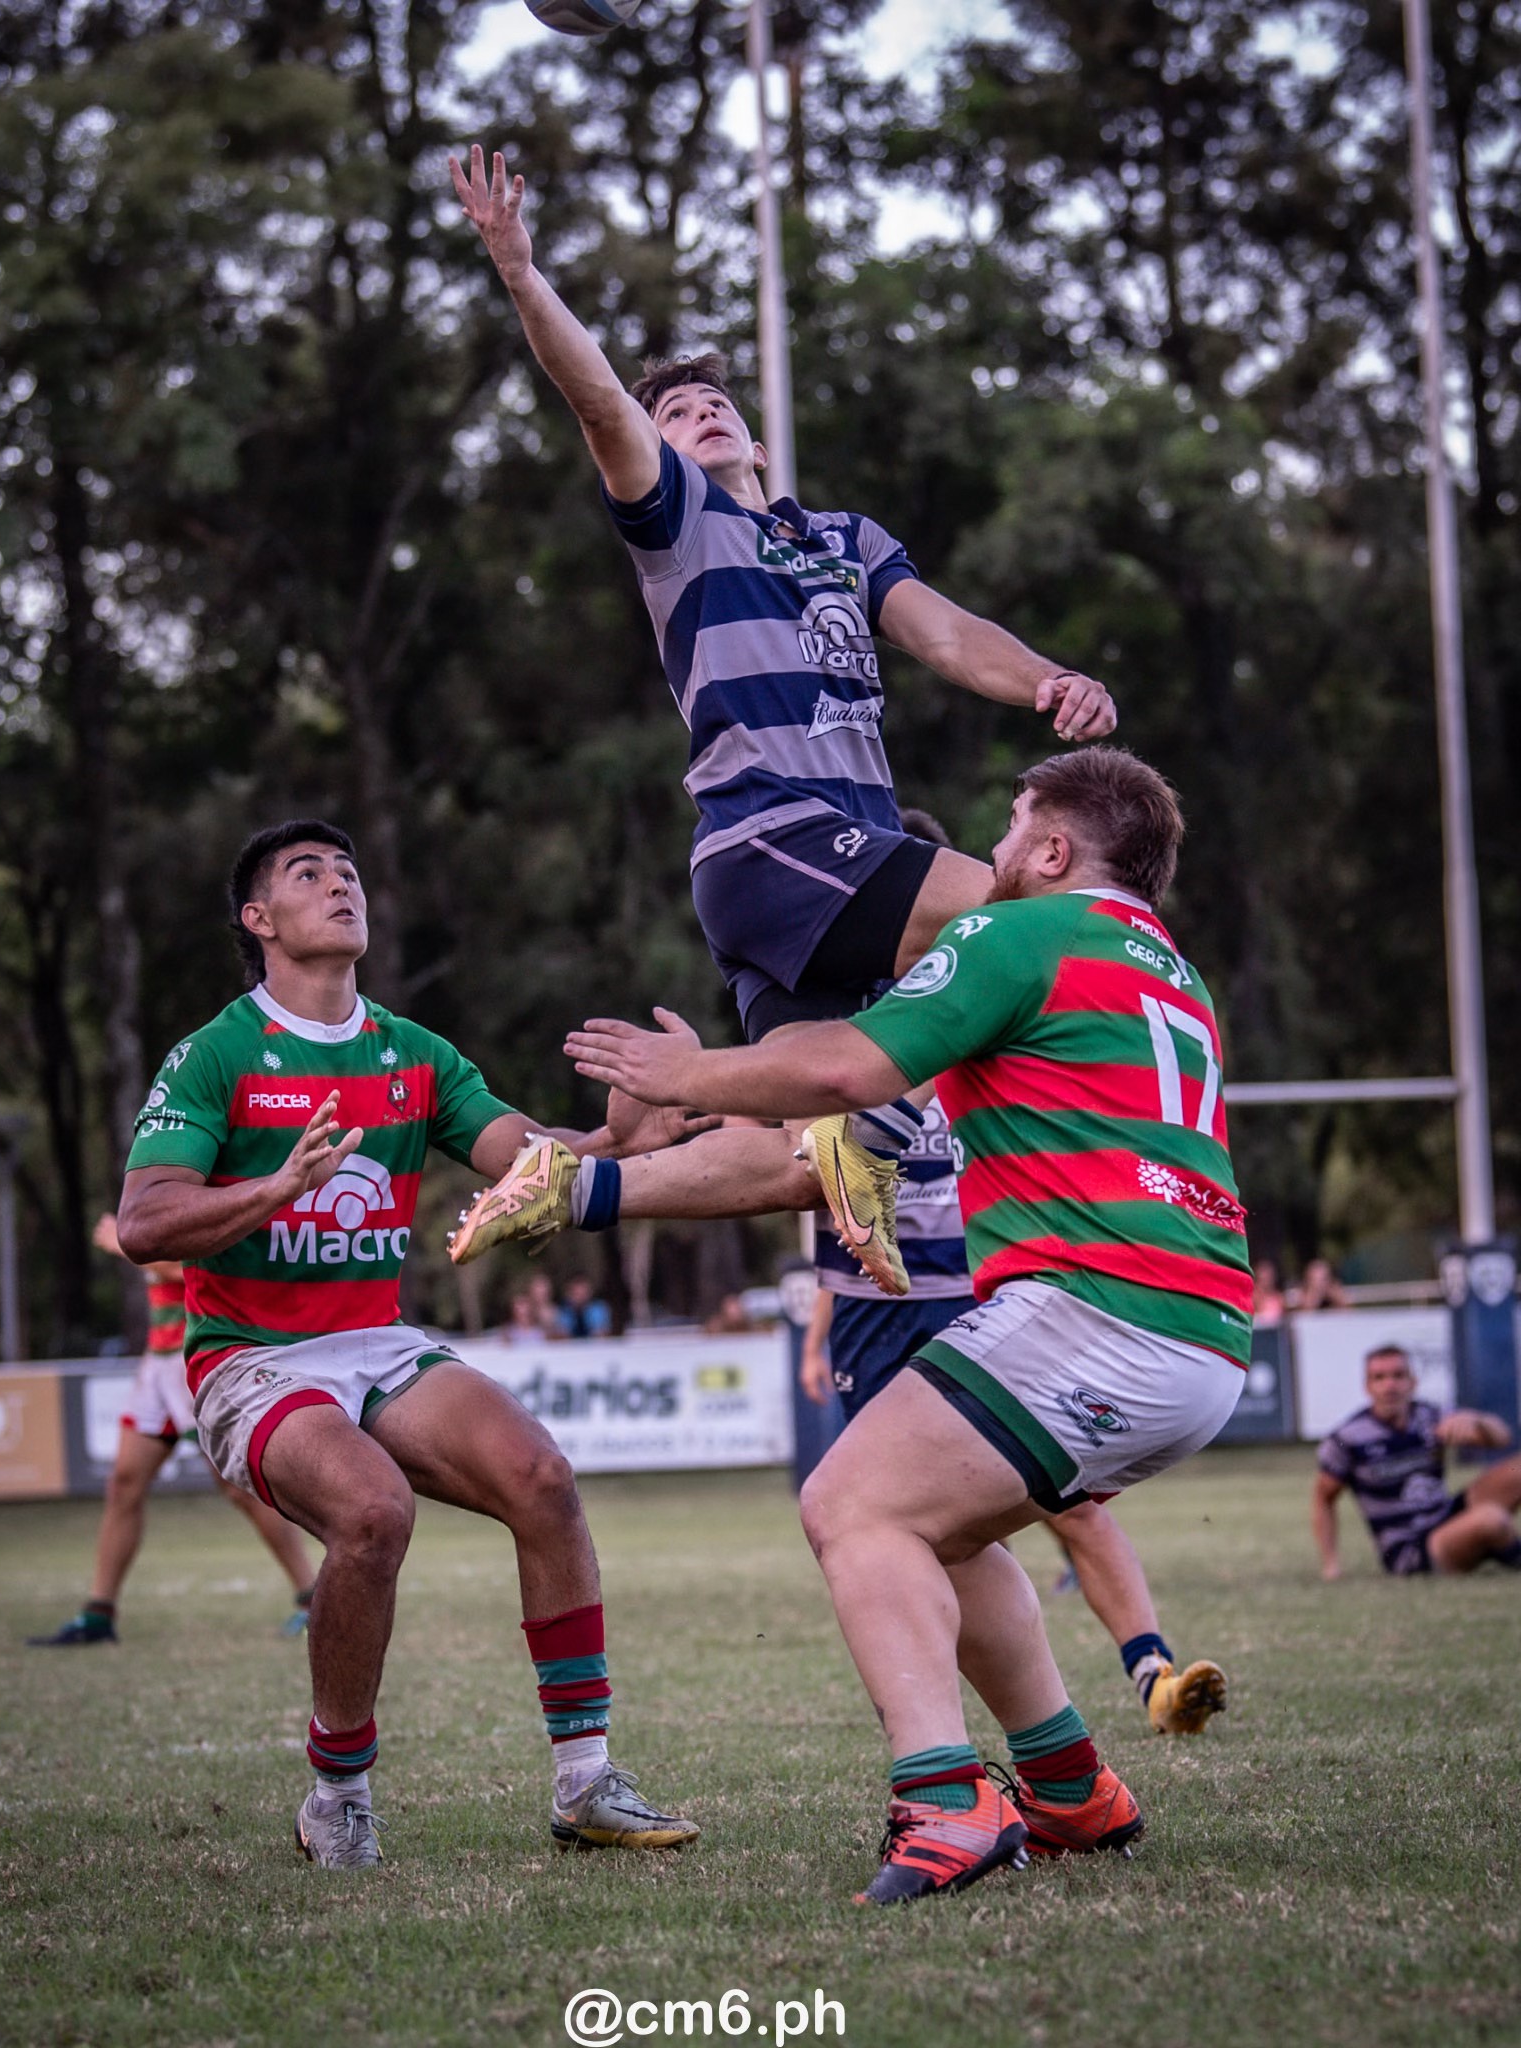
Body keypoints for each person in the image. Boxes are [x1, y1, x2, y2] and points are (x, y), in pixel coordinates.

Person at [562, 747, 1253, 1902]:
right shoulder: (1167, 968)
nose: (982, 855)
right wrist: (706, 1096)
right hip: (1200, 1329)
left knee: (851, 1503)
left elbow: (843, 1064)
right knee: (944, 1527)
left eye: (1009, 825)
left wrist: (683, 1070)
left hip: (1098, 1313)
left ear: (1050, 850)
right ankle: (1069, 1782)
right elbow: (846, 1104)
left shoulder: (1015, 932)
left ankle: (946, 1798)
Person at [450, 143, 1117, 1293]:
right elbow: (600, 396)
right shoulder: (680, 524)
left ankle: (577, 1178)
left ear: (758, 441)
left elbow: (950, 637)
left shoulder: (844, 542)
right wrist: (518, 269)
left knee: (800, 1138)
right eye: (675, 412)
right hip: (777, 833)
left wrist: (1048, 681)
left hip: (815, 870)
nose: (695, 411)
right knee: (1020, 919)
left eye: (715, 402)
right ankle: (861, 1119)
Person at [114, 819, 698, 1869]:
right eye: (308, 874)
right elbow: (146, 1222)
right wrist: (273, 1189)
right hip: (249, 1356)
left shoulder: (412, 1052)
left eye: (348, 870)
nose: (341, 884)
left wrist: (615, 1141)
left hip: (375, 1339)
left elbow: (527, 1160)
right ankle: (336, 1792)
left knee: (543, 1475)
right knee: (373, 1509)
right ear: (260, 920)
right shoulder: (215, 1055)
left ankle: (585, 1781)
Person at [797, 1097, 1228, 1741]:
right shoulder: (833, 1043)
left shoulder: (969, 1017)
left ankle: (1151, 1677)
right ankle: (950, 1725)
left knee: (1071, 1508)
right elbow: (816, 1182)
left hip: (983, 1297)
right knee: (913, 1528)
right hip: (875, 1306)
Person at [28, 1214, 319, 1647]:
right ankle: (98, 1614)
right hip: (160, 1361)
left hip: (196, 1357)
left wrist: (123, 1245)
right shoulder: (159, 1191)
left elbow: (199, 1268)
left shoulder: (202, 1198)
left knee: (238, 1487)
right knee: (124, 1483)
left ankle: (313, 1598)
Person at [1312, 1343, 1521, 1578]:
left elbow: (1502, 1439)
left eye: (1398, 1376)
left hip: (1444, 1515)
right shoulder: (1345, 1438)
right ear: (1367, 1387)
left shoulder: (1430, 1416)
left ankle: (1491, 1542)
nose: (1390, 1386)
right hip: (1408, 1547)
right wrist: (1330, 1565)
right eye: (1379, 1378)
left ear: (1413, 1382)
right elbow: (1323, 1498)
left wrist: (1476, 1421)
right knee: (1490, 1518)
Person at [556, 1274, 612, 1340]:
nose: (580, 1297)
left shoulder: (599, 1309)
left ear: (590, 1292)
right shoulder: (563, 1311)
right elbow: (562, 1337)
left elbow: (601, 1335)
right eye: (576, 1293)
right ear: (568, 1294)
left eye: (583, 1293)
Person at [1250, 1258, 1285, 1325]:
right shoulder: (1254, 1296)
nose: (1267, 1280)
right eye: (1263, 1279)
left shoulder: (1278, 1298)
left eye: (1269, 1277)